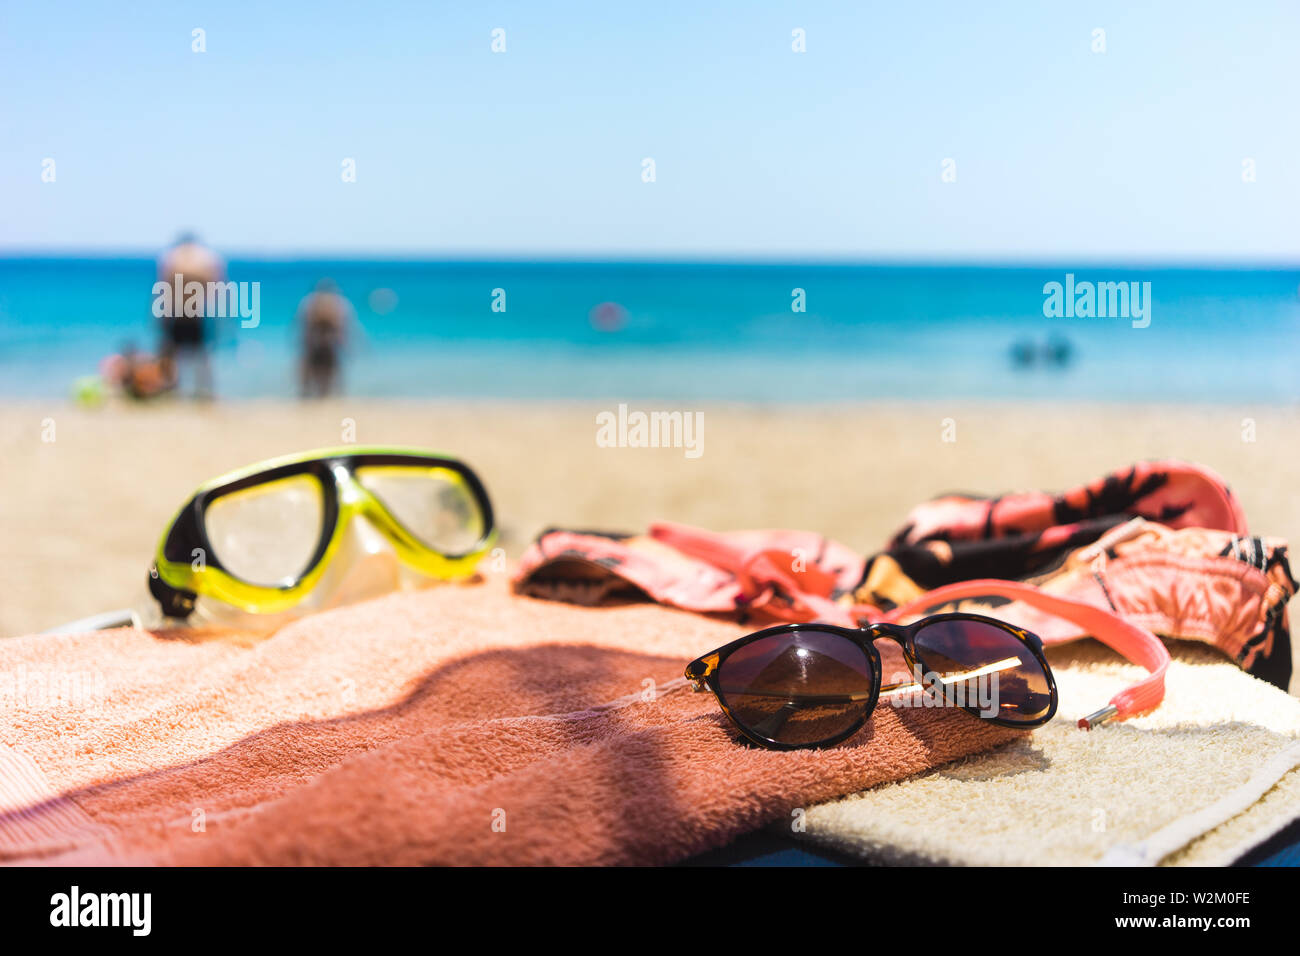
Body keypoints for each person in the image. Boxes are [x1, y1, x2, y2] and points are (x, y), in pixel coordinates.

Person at [156, 233, 226, 399]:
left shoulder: (173, 258)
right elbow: (216, 287)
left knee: (173, 353)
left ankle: (172, 389)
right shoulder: (204, 259)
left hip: (177, 311)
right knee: (201, 354)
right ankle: (204, 390)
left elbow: (163, 289)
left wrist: (161, 315)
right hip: (196, 312)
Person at [297, 279, 356, 398]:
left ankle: (314, 400)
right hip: (326, 346)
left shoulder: (309, 303)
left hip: (316, 346)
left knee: (310, 380)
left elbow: (303, 328)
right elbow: (342, 329)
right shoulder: (339, 304)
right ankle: (325, 399)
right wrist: (346, 346)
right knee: (327, 379)